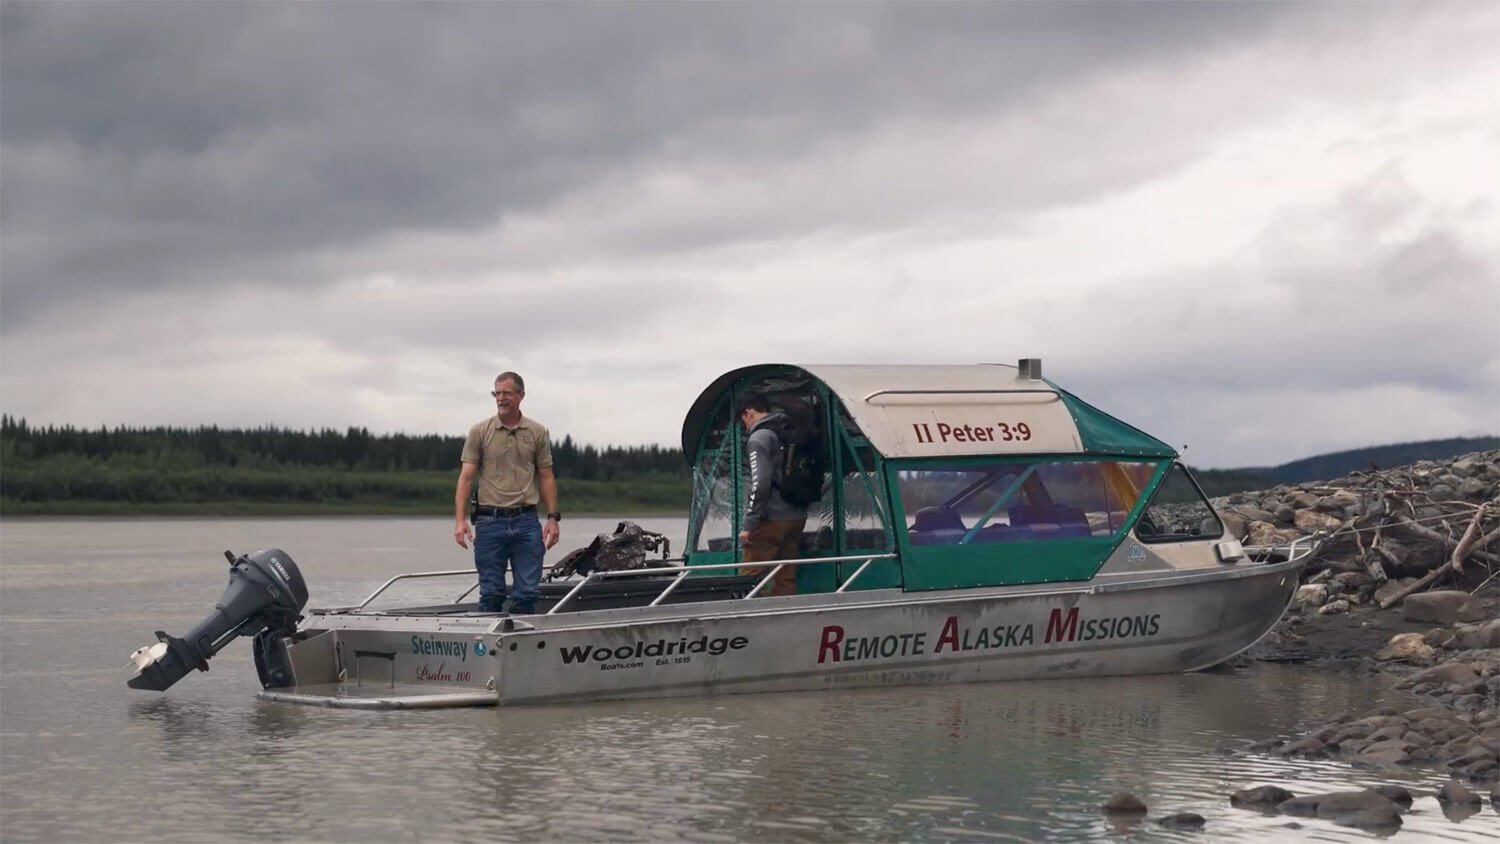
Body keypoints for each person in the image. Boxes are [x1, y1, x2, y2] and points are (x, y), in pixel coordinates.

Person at [453, 371, 560, 614]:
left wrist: (553, 518)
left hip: (527, 521)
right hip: (490, 521)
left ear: (520, 396)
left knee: (527, 593)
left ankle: (522, 642)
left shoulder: (538, 431)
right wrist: (460, 521)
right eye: (497, 393)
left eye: (507, 393)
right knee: (491, 592)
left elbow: (546, 475)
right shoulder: (480, 431)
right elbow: (466, 477)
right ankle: (487, 645)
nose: (501, 398)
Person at [737, 395, 808, 596]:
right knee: (785, 578)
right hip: (797, 517)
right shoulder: (789, 431)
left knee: (749, 578)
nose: (745, 427)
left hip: (771, 520)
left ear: (749, 412)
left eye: (743, 420)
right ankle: (786, 621)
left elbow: (760, 484)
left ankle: (747, 622)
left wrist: (749, 525)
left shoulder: (759, 438)